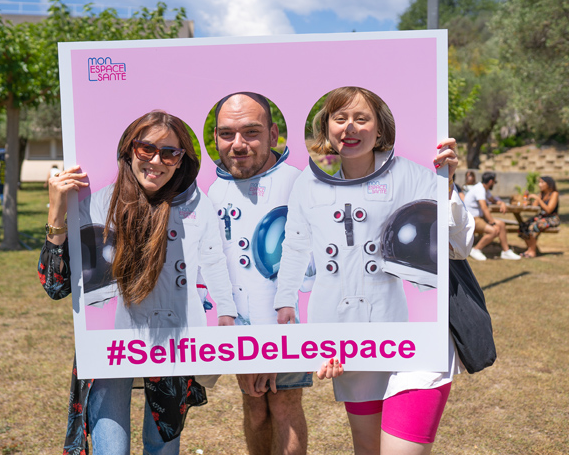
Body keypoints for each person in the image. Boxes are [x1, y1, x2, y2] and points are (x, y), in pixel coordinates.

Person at [273, 86, 474, 455]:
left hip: (412, 339)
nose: (349, 127)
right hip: (344, 339)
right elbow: (296, 246)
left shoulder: (411, 175)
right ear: (327, 127)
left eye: (361, 118)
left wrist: (446, 187)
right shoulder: (308, 182)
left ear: (380, 129)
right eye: (340, 118)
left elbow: (459, 247)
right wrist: (288, 304)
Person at [38, 110, 236, 454]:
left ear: (180, 161)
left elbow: (214, 261)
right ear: (130, 150)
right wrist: (57, 213)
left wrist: (226, 314)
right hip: (113, 339)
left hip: (175, 337)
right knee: (110, 447)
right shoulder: (99, 203)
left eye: (170, 153)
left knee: (162, 448)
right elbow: (56, 286)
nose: (157, 160)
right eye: (147, 149)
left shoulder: (194, 205)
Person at [207, 92, 312, 455]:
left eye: (251, 132)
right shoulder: (212, 192)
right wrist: (241, 344)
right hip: (238, 326)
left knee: (283, 404)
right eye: (226, 134)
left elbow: (305, 271)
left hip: (286, 326)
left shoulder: (299, 184)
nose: (237, 144)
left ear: (274, 133)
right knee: (254, 407)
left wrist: (269, 350)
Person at [465, 172, 521, 261]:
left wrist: (502, 203)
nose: (494, 184)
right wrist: (492, 222)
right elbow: (484, 208)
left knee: (501, 224)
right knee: (494, 231)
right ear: (491, 181)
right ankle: (476, 250)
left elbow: (493, 200)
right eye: (495, 182)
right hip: (471, 220)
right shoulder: (479, 189)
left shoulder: (484, 189)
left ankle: (506, 251)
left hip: (479, 218)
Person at [519, 176, 560, 258]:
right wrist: (529, 201)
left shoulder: (554, 194)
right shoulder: (541, 194)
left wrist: (538, 198)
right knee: (523, 225)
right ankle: (529, 249)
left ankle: (532, 252)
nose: (539, 185)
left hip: (552, 218)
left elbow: (548, 210)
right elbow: (534, 207)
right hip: (541, 217)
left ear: (548, 184)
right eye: (539, 182)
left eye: (542, 182)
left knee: (535, 226)